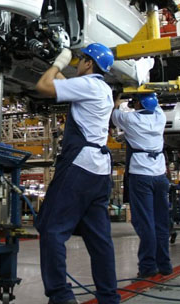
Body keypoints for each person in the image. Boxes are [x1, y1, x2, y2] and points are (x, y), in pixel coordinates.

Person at [34, 43, 119, 304]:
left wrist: (58, 63)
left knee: (51, 229)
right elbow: (64, 84)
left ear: (89, 63)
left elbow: (44, 86)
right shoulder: (102, 88)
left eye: (80, 59)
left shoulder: (88, 85)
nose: (78, 63)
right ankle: (109, 297)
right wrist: (52, 64)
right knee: (100, 239)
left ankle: (60, 295)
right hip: (100, 172)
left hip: (79, 167)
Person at [111, 93, 172, 278]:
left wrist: (119, 97)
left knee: (145, 223)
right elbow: (155, 105)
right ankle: (165, 265)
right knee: (161, 222)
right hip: (160, 176)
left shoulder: (130, 119)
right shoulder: (160, 117)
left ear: (139, 104)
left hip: (141, 176)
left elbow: (112, 112)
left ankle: (148, 267)